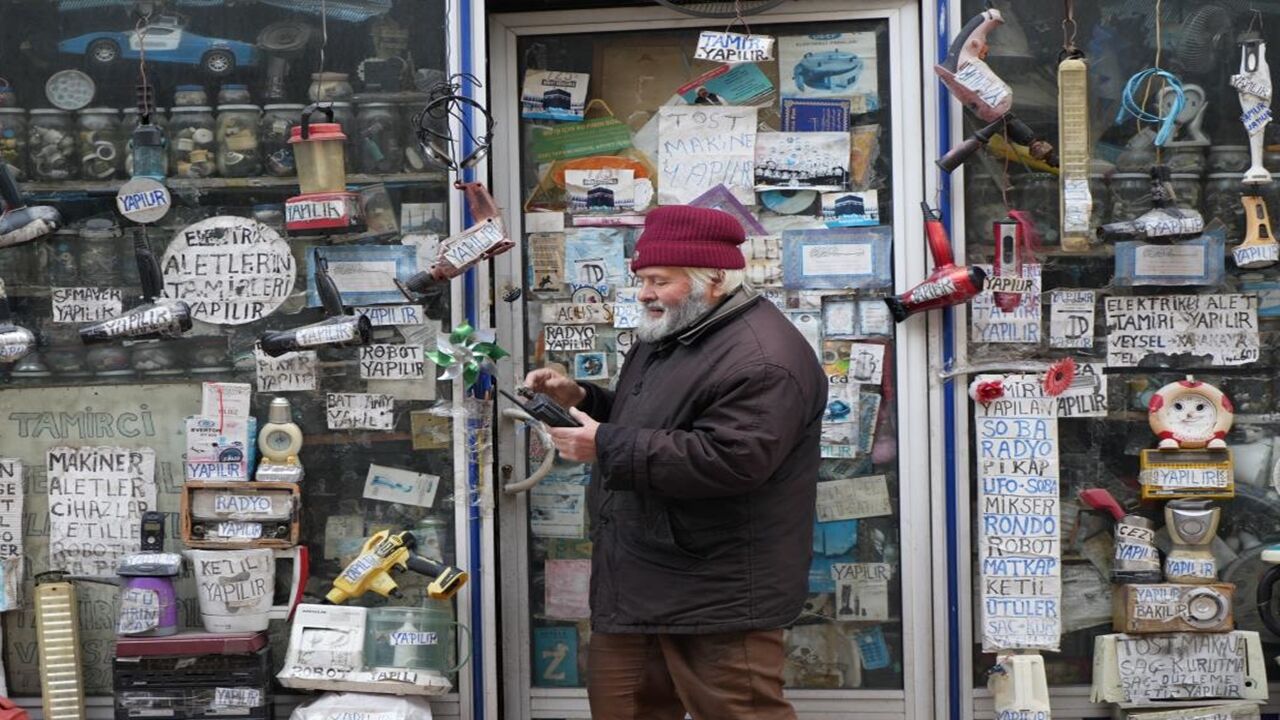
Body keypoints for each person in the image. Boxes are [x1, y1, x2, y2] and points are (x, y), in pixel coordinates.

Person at [524, 205, 827, 720]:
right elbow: (657, 416)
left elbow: (732, 459)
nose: (644, 292)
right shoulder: (681, 328)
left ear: (712, 281)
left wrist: (606, 446)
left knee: (740, 712)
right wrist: (583, 398)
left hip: (717, 593)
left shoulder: (762, 358)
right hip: (641, 577)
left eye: (659, 280)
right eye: (642, 279)